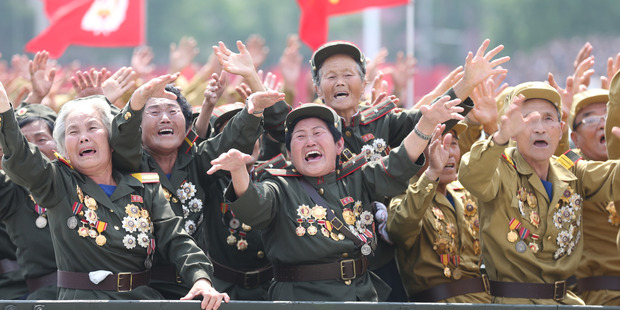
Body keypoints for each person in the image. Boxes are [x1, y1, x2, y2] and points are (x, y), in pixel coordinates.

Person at [207, 92, 464, 301]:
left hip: (359, 296)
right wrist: (239, 171)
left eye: (318, 133)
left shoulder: (357, 176)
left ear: (339, 145)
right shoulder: (279, 185)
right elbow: (253, 207)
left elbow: (397, 164)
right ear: (290, 150)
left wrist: (426, 125)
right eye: (300, 136)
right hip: (301, 300)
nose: (309, 141)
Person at [0, 78, 228, 310]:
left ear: (111, 141)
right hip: (83, 305)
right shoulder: (58, 183)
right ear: (64, 148)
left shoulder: (144, 187)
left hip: (141, 302)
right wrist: (3, 108)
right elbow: (21, 155)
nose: (83, 137)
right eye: (73, 132)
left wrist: (201, 279)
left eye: (92, 127)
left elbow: (176, 238)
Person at [108, 70, 286, 299]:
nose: (165, 118)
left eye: (173, 111)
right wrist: (137, 101)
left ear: (186, 124)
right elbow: (122, 139)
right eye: (153, 111)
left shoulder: (198, 159)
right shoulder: (130, 161)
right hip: (139, 287)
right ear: (139, 127)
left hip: (193, 285)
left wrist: (252, 111)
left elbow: (229, 142)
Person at [458, 81, 620, 305]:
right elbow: (471, 174)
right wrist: (499, 137)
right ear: (513, 130)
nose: (540, 128)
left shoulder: (572, 169)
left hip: (567, 302)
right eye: (528, 119)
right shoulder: (500, 167)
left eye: (548, 118)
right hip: (514, 303)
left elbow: (614, 178)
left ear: (561, 129)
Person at [388, 123, 490, 303]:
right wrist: (432, 173)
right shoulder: (404, 196)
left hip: (484, 302)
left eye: (453, 144)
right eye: (437, 144)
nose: (448, 153)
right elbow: (400, 227)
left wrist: (492, 128)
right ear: (414, 153)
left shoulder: (466, 193)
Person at [568, 89, 620, 305]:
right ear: (574, 138)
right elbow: (552, 163)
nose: (602, 124)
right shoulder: (571, 170)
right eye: (590, 118)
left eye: (608, 116)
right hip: (600, 298)